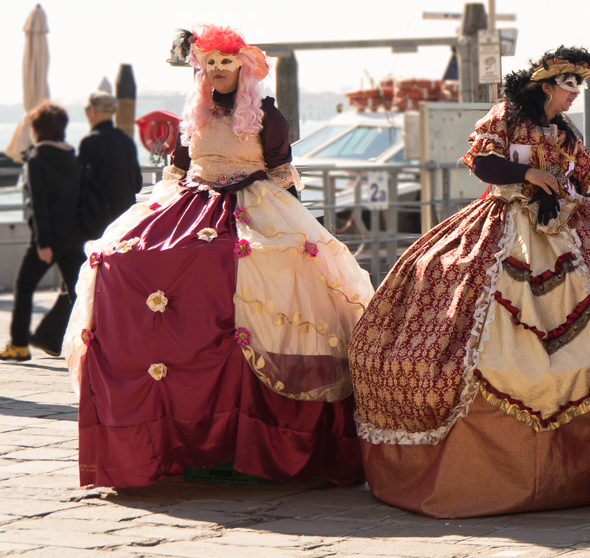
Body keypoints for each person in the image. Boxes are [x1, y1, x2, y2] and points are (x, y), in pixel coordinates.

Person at [349, 47, 590, 518]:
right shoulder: (507, 117)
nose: (575, 95)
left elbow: (584, 180)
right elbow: (481, 162)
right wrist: (528, 174)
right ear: (546, 84)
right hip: (505, 224)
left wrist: (567, 193)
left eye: (581, 86)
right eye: (569, 84)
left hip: (567, 226)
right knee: (448, 279)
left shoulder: (567, 133)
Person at [63, 24, 375, 487]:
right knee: (121, 258)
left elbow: (281, 174)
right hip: (190, 202)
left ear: (243, 68)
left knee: (259, 268)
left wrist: (303, 235)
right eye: (209, 64)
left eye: (226, 64)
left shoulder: (268, 117)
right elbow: (177, 170)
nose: (217, 72)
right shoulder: (195, 114)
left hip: (253, 204)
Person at [1, 103, 86, 362]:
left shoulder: (38, 158)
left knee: (24, 286)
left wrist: (44, 243)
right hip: (74, 237)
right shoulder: (72, 156)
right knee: (80, 291)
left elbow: (39, 204)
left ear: (38, 129)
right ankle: (98, 342)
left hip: (48, 238)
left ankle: (18, 345)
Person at [78, 91, 143, 240]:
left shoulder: (90, 142)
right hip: (126, 221)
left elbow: (82, 185)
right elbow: (137, 185)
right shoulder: (126, 141)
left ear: (92, 112)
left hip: (99, 223)